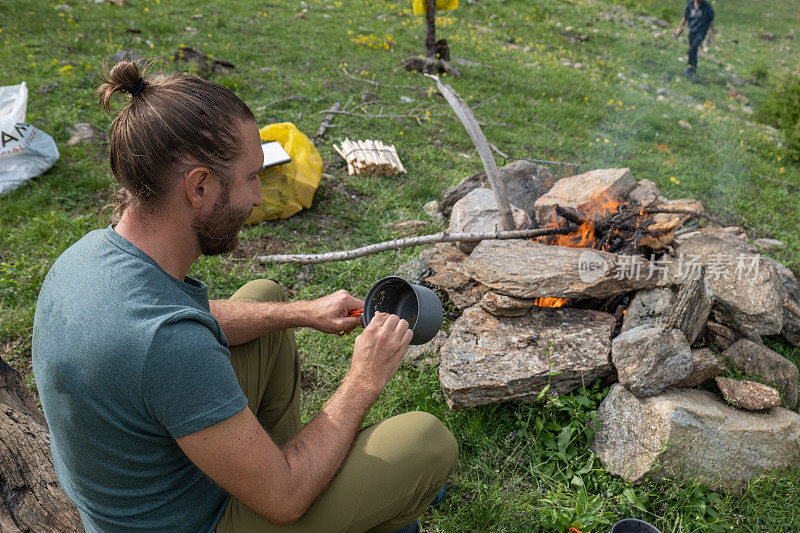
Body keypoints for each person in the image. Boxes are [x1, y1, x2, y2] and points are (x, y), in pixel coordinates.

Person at [31, 60, 457, 533]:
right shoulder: (168, 346)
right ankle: (322, 482)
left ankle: (307, 470)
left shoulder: (89, 256)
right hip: (195, 522)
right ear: (199, 186)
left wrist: (302, 313)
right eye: (250, 178)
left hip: (155, 487)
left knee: (266, 299)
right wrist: (364, 377)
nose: (257, 198)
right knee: (425, 442)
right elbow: (285, 499)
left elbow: (167, 324)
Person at [673, 0, 715, 80]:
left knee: (693, 47)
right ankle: (692, 66)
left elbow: (711, 20)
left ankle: (690, 67)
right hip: (692, 30)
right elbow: (685, 17)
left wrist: (712, 32)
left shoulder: (706, 6)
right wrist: (680, 27)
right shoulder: (690, 5)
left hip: (701, 32)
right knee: (693, 48)